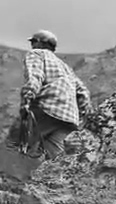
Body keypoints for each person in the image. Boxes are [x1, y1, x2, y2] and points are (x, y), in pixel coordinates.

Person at [9, 30, 91, 160]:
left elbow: (35, 77)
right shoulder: (65, 67)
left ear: (40, 43)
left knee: (12, 144)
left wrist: (26, 101)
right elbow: (83, 93)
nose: (32, 45)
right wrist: (82, 118)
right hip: (68, 117)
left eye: (33, 42)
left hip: (46, 108)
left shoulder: (36, 54)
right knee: (59, 157)